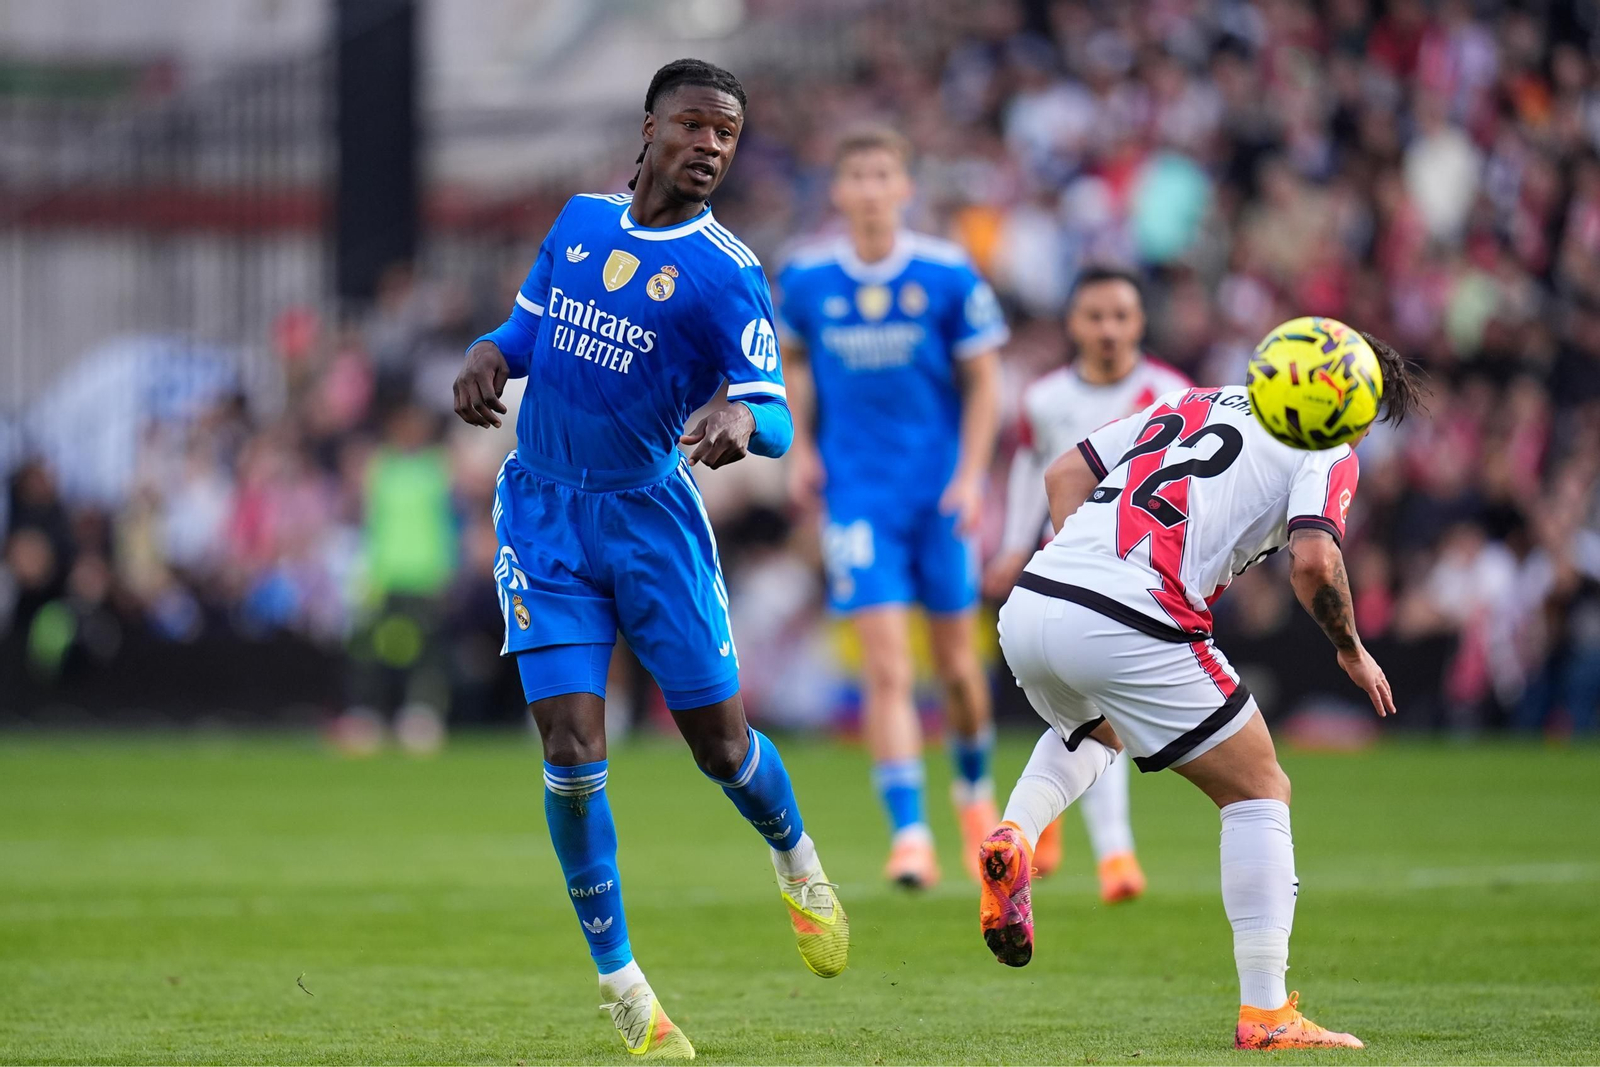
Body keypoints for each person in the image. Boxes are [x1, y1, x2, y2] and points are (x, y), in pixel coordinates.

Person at [452, 58, 848, 1061]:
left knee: (719, 746)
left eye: (727, 133)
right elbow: (525, 330)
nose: (711, 146)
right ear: (650, 129)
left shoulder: (727, 272)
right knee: (573, 751)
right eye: (695, 126)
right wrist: (488, 353)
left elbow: (776, 414)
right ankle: (624, 984)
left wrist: (735, 415)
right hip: (542, 517)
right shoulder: (579, 222)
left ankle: (796, 858)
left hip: (648, 524)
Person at [978, 330, 1421, 1050]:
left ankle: (1016, 832)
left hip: (1034, 601)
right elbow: (1313, 561)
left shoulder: (1191, 399)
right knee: (1258, 788)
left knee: (1098, 728)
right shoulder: (1327, 447)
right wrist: (1351, 648)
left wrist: (1088, 574)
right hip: (1132, 610)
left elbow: (1063, 473)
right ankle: (1268, 1014)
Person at [777, 126, 1008, 889]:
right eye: (857, 175)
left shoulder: (945, 272)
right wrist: (803, 449)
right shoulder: (807, 276)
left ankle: (973, 793)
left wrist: (973, 476)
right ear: (838, 190)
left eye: (884, 174)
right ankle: (910, 834)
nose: (871, 188)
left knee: (957, 671)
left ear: (904, 187)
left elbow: (984, 383)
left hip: (939, 494)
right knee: (885, 664)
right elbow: (798, 365)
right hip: (858, 498)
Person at [982, 266, 1189, 900]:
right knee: (1101, 713)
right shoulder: (1046, 399)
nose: (1107, 329)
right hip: (1066, 570)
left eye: (1120, 316)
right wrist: (1013, 546)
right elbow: (1029, 471)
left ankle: (1056, 830)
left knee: (1093, 716)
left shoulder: (1170, 392)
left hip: (1143, 572)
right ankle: (1113, 857)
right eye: (1094, 316)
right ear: (1072, 324)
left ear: (1140, 323)